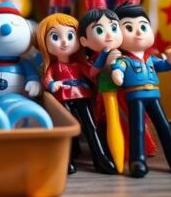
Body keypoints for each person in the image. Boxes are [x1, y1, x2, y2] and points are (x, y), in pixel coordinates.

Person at [110, 4, 171, 177]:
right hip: (135, 97)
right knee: (138, 128)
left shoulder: (150, 58)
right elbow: (117, 68)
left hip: (153, 96)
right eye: (129, 27)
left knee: (164, 126)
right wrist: (117, 74)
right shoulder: (125, 60)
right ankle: (138, 161)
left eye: (143, 26)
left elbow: (163, 66)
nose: (139, 32)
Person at [38, 13, 117, 175]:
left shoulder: (78, 65)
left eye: (70, 36)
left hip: (82, 96)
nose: (64, 42)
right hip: (63, 98)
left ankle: (100, 157)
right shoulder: (54, 67)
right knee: (66, 128)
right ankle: (66, 160)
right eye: (55, 36)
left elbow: (92, 72)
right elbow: (47, 79)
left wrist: (102, 57)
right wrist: (53, 84)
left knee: (91, 127)